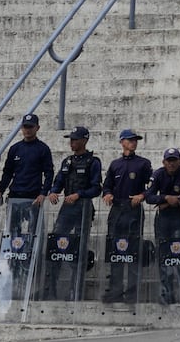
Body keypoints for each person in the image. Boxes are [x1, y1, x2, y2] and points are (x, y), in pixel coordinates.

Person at [0, 112, 54, 293]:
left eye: (31, 127)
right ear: (21, 128)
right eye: (25, 127)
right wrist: (0, 190)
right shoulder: (15, 149)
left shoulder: (43, 149)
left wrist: (44, 193)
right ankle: (14, 270)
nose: (27, 130)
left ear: (37, 128)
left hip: (33, 199)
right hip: (15, 198)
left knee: (34, 236)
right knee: (13, 236)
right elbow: (7, 173)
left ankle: (31, 271)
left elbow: (49, 173)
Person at [44, 125, 103, 300]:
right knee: (56, 243)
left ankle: (75, 289)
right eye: (71, 139)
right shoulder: (67, 161)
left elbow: (96, 188)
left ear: (84, 140)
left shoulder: (93, 162)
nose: (72, 142)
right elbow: (59, 181)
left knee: (79, 247)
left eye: (75, 139)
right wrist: (54, 191)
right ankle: (51, 288)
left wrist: (79, 194)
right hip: (66, 209)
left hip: (83, 209)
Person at [101, 128, 152, 302]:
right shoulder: (115, 164)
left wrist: (142, 196)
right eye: (130, 140)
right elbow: (107, 185)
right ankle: (115, 290)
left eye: (135, 140)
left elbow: (152, 186)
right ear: (122, 142)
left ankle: (132, 292)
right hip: (117, 209)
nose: (133, 142)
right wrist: (107, 194)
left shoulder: (143, 163)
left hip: (133, 209)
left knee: (133, 251)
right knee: (115, 250)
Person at [144, 147, 180, 304]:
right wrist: (166, 198)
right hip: (164, 220)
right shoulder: (158, 174)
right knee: (163, 254)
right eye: (169, 161)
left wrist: (176, 201)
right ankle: (167, 290)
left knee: (179, 252)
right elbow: (149, 196)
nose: (172, 164)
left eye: (174, 161)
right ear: (164, 162)